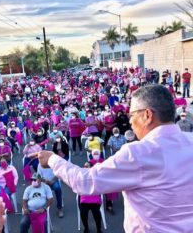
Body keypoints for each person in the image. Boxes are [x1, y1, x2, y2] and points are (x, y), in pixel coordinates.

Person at [37, 85, 193, 233]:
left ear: (147, 115)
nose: (130, 121)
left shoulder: (139, 153)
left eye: (132, 114)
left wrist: (51, 159)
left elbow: (84, 182)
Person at [79, 162, 102, 233]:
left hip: (95, 200)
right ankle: (86, 228)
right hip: (84, 200)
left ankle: (99, 229)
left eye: (87, 166)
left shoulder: (96, 176)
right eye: (84, 166)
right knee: (83, 213)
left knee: (97, 213)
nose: (85, 167)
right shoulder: (81, 176)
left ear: (91, 168)